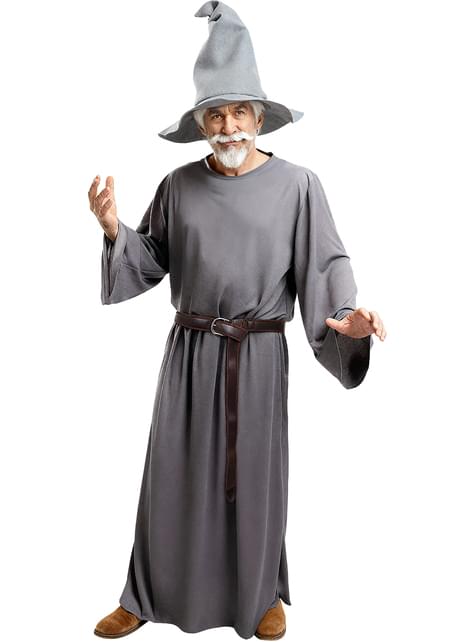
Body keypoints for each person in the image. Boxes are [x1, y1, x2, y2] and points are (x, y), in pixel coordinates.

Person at [88, 2, 386, 640]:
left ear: (258, 118)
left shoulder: (298, 186)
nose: (228, 127)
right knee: (171, 474)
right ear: (202, 123)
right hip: (189, 351)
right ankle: (144, 594)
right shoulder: (178, 185)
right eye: (216, 115)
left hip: (256, 356)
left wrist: (348, 318)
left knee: (252, 476)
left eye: (239, 112)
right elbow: (150, 260)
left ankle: (260, 595)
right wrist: (114, 229)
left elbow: (327, 265)